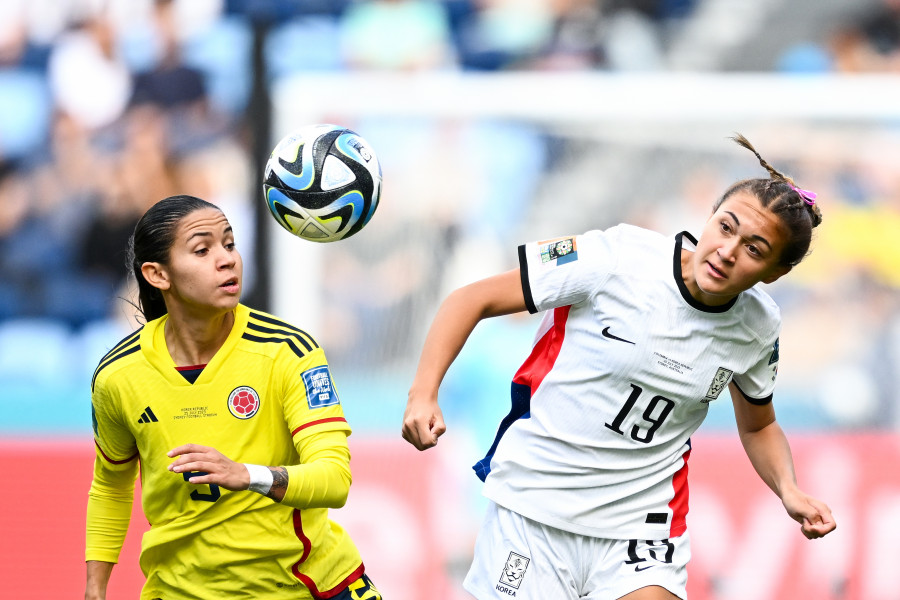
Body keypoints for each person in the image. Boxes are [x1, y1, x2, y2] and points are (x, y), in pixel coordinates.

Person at [401, 135, 836, 599]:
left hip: (641, 526)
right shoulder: (614, 257)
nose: (728, 250)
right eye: (726, 227)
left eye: (754, 248)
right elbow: (473, 298)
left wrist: (787, 488)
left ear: (774, 273)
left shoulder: (757, 325)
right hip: (536, 507)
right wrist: (423, 393)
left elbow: (758, 426)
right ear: (708, 218)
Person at [85, 195, 381, 600]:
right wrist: (95, 588)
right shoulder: (118, 375)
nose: (227, 259)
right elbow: (111, 486)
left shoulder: (287, 351)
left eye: (229, 243)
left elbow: (334, 479)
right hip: (180, 591)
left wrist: (248, 475)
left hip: (306, 586)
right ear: (157, 275)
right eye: (202, 250)